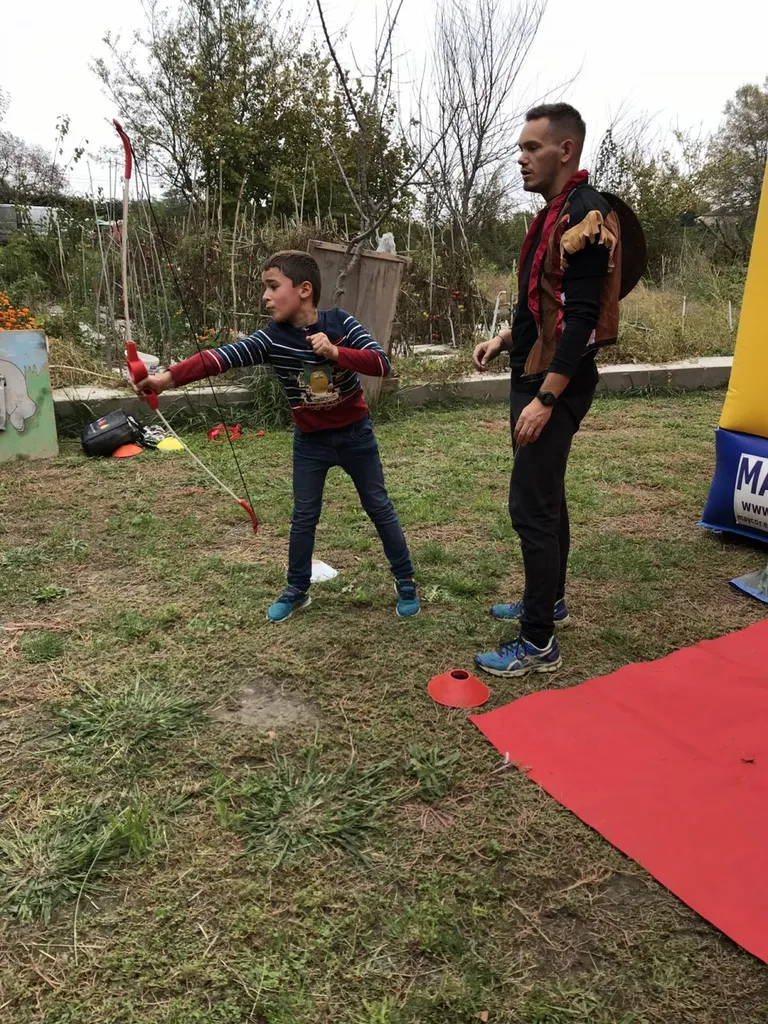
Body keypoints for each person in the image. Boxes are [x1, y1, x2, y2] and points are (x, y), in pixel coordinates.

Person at [134, 249, 419, 623]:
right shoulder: (271, 339)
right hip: (311, 443)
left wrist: (335, 351)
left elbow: (381, 363)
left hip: (355, 436)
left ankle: (406, 581)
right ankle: (297, 589)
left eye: (272, 287)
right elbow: (219, 357)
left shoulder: (340, 323)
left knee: (378, 507)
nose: (265, 297)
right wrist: (164, 380)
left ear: (304, 289)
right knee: (303, 517)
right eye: (264, 288)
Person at [472, 103, 623, 678]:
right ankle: (550, 600)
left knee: (530, 506)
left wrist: (546, 398)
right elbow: (547, 300)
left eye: (532, 148)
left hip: (553, 382)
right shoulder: (554, 213)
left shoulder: (587, 215)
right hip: (534, 368)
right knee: (547, 495)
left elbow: (583, 318)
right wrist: (507, 339)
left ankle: (537, 643)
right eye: (520, 148)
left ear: (566, 151)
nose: (520, 158)